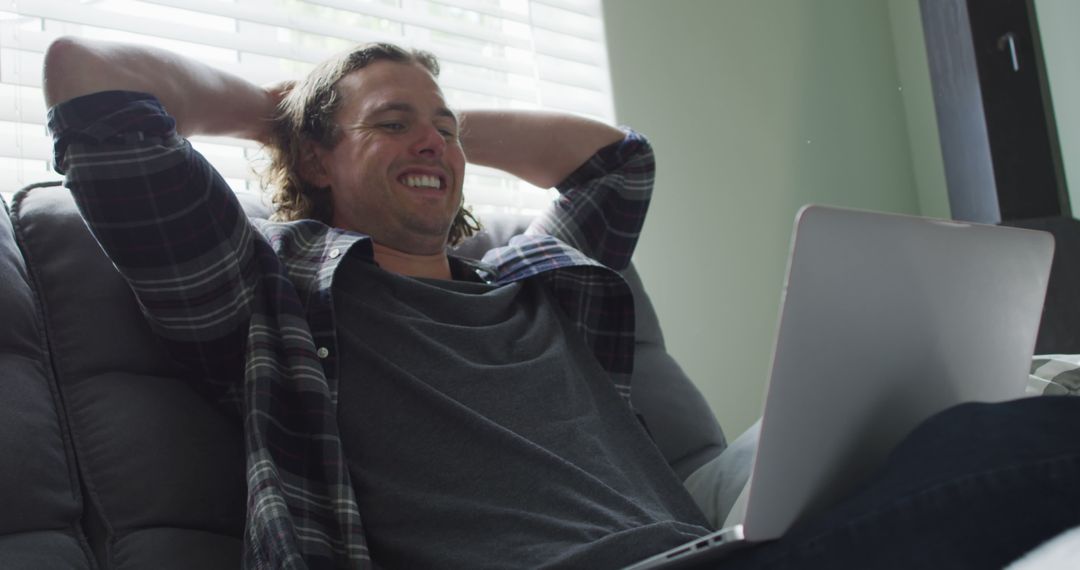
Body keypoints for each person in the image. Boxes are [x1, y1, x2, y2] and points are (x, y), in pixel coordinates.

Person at [42, 36, 1080, 570]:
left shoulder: (546, 281)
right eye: (392, 126)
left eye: (444, 128)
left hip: (719, 552)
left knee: (997, 419)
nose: (435, 145)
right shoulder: (269, 289)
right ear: (311, 160)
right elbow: (83, 77)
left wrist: (411, 115)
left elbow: (612, 161)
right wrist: (284, 109)